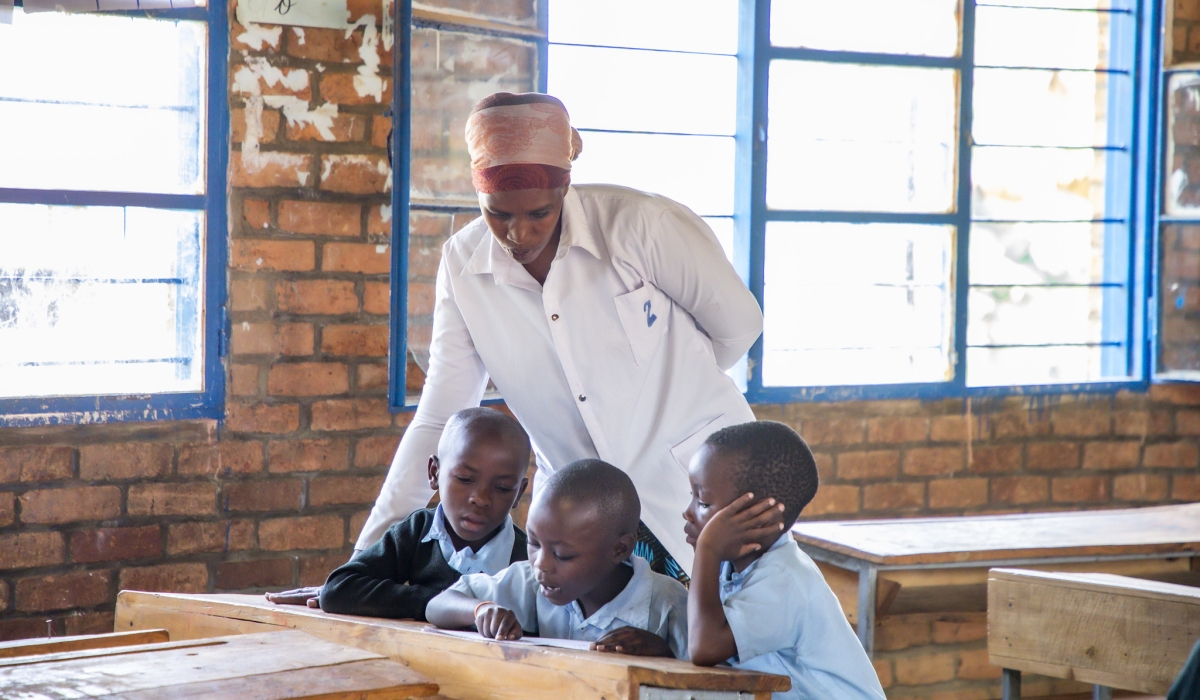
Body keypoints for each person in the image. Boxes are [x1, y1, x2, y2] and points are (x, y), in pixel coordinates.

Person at [357, 91, 764, 580]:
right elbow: (439, 418)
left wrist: (668, 390)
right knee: (602, 645)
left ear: (565, 188)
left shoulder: (639, 225)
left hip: (698, 489)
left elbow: (738, 326)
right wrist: (363, 566)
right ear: (477, 194)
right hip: (579, 523)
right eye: (498, 214)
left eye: (538, 214)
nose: (518, 235)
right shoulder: (463, 266)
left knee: (733, 636)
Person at [683, 421, 886, 700]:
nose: (688, 512)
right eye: (691, 496)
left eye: (703, 502)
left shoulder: (784, 577)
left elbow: (704, 648)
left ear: (759, 515)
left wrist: (707, 548)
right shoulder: (730, 571)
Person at [266, 408, 530, 618]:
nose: (481, 499)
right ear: (434, 473)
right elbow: (339, 589)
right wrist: (441, 604)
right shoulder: (417, 532)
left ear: (519, 492)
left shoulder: (527, 559)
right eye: (464, 479)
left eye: (502, 487)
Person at [426, 459, 689, 659]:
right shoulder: (531, 581)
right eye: (534, 543)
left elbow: (721, 684)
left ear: (619, 550)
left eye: (563, 555)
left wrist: (665, 654)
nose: (541, 563)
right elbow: (438, 606)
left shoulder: (669, 605)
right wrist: (480, 609)